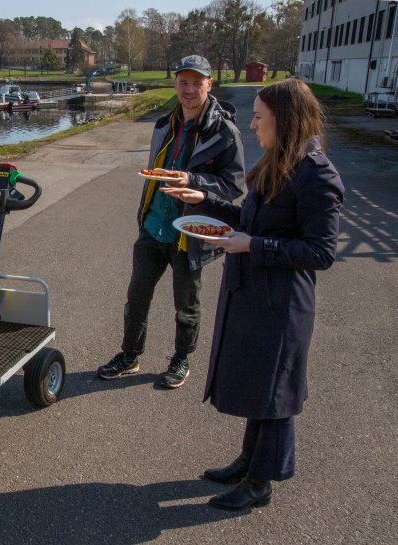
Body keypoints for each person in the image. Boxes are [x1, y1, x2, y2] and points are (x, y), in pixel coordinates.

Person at [159, 78, 345, 510]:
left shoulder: (317, 175)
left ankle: (260, 483)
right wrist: (202, 197)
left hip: (282, 303)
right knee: (260, 385)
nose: (254, 124)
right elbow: (247, 216)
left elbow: (320, 252)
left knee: (276, 393)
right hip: (254, 292)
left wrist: (253, 246)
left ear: (285, 119)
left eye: (260, 117)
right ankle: (248, 461)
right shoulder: (279, 162)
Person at [97, 55, 245, 387]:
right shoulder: (164, 123)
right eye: (183, 82)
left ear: (209, 84)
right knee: (136, 296)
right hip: (153, 226)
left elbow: (233, 185)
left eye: (197, 82)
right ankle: (130, 355)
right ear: (175, 84)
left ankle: (181, 358)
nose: (189, 89)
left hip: (189, 231)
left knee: (186, 303)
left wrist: (193, 180)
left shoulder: (225, 132)